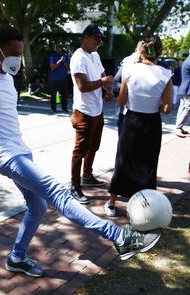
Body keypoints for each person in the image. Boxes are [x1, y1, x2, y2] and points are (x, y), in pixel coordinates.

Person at [0, 25, 162, 278]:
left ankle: (17, 257)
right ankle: (119, 236)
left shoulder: (8, 79)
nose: (18, 59)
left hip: (20, 151)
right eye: (14, 53)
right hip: (4, 156)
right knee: (57, 192)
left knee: (38, 206)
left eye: (21, 52)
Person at [105, 36, 173, 216]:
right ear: (159, 52)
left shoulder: (130, 70)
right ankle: (143, 207)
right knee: (148, 164)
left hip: (131, 121)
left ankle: (112, 203)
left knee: (123, 161)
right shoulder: (166, 75)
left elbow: (121, 102)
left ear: (141, 51)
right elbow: (167, 108)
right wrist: (156, 104)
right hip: (151, 123)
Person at [69, 24, 114, 205]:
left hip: (97, 110)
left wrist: (108, 88)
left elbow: (102, 74)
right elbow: (83, 86)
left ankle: (87, 175)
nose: (99, 42)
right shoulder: (78, 58)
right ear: (86, 37)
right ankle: (74, 186)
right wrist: (103, 81)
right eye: (96, 38)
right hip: (83, 111)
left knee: (93, 146)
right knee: (80, 150)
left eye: (101, 39)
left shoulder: (94, 55)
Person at [49, 43, 70, 112]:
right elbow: (53, 68)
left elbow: (68, 67)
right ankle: (53, 108)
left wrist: (63, 61)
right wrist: (59, 61)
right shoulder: (52, 56)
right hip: (54, 79)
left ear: (61, 48)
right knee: (53, 94)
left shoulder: (66, 56)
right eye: (57, 48)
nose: (58, 49)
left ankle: (64, 107)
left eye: (59, 48)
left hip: (63, 78)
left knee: (64, 94)